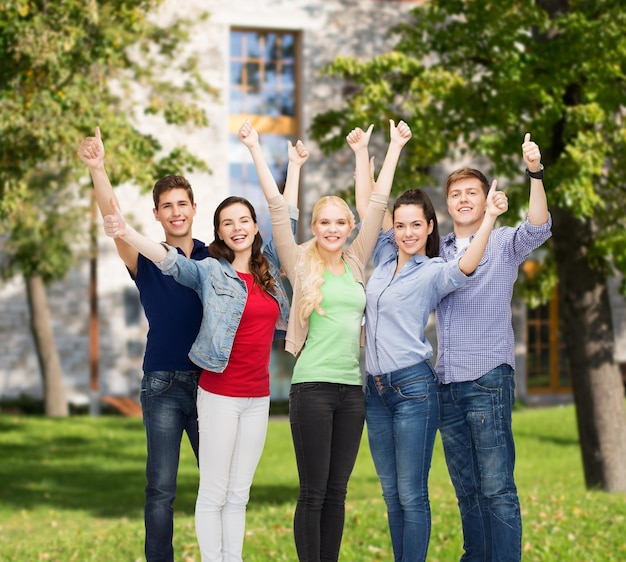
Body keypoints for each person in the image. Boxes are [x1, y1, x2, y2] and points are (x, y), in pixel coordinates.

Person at [78, 127, 299, 562]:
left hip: (211, 383)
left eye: (183, 204)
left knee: (219, 482)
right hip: (161, 380)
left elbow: (272, 239)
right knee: (161, 488)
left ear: (195, 209)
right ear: (157, 214)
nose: (176, 212)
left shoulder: (213, 259)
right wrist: (97, 169)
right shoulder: (143, 256)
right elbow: (116, 223)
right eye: (167, 207)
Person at [238, 118, 412, 562]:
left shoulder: (356, 261)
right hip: (312, 389)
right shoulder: (299, 262)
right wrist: (261, 151)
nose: (332, 229)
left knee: (338, 493)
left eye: (340, 222)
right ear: (314, 226)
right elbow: (278, 210)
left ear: (349, 226)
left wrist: (389, 148)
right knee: (313, 492)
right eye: (324, 222)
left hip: (351, 393)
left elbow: (377, 204)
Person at [435, 133, 551, 562]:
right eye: (456, 194)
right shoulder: (438, 251)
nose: (464, 199)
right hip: (446, 383)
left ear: (487, 201)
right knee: (467, 490)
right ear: (447, 204)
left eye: (472, 193)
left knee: (497, 488)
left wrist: (534, 172)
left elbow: (539, 225)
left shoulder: (503, 243)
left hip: (487, 379)